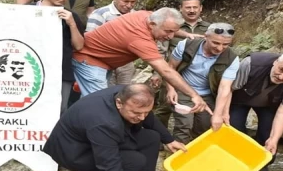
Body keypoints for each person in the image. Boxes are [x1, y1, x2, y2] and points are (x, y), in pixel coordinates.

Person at [42, 84, 186, 171]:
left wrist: (169, 140)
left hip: (95, 139)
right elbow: (110, 165)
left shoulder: (126, 93)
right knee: (136, 161)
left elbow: (147, 117)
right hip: (73, 151)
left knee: (152, 137)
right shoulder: (103, 122)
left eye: (146, 112)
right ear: (119, 103)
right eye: (136, 113)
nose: (142, 118)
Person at [72, 7, 211, 114]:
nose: (170, 37)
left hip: (104, 62)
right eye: (168, 32)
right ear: (152, 24)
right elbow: (166, 70)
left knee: (87, 102)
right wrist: (194, 95)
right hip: (89, 61)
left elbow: (167, 26)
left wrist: (186, 34)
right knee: (98, 106)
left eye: (174, 32)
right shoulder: (139, 38)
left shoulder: (146, 15)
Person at [227, 51, 283, 171]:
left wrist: (274, 139)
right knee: (234, 129)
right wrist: (222, 113)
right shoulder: (252, 64)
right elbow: (228, 89)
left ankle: (260, 169)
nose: (282, 77)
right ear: (275, 62)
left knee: (268, 137)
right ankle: (237, 163)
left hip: (269, 105)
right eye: (281, 70)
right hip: (239, 100)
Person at [166, 23, 239, 143]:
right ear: (205, 37)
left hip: (207, 94)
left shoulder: (232, 59)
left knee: (204, 127)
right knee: (184, 125)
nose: (220, 48)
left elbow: (224, 88)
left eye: (225, 44)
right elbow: (170, 68)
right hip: (184, 89)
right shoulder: (186, 45)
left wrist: (218, 114)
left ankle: (196, 155)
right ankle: (177, 156)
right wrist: (171, 89)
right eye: (215, 43)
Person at [153, 0, 210, 128]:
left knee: (196, 107)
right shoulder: (171, 25)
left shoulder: (209, 28)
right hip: (170, 72)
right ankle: (160, 138)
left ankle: (191, 138)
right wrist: (156, 73)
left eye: (195, 7)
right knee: (165, 107)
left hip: (197, 76)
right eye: (188, 7)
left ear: (200, 8)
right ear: (181, 9)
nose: (192, 10)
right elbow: (159, 50)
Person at [36, 0, 85, 113]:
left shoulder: (71, 16)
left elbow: (79, 46)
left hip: (61, 73)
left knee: (59, 109)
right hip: (30, 69)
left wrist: (72, 24)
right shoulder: (26, 11)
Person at [86, 0, 139, 86]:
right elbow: (89, 40)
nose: (129, 5)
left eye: (133, 2)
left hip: (126, 63)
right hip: (103, 61)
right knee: (106, 93)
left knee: (125, 93)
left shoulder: (136, 15)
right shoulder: (101, 14)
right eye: (125, 1)